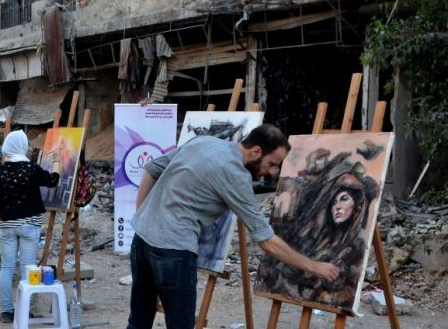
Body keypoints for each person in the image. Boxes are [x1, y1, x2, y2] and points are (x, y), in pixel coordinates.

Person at [127, 124, 339, 329]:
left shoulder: (204, 142)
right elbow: (266, 241)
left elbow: (152, 168)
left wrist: (141, 213)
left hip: (141, 239)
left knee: (139, 320)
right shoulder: (235, 175)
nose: (272, 172)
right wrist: (313, 266)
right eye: (273, 163)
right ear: (256, 151)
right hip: (173, 250)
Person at [258, 159, 380, 309]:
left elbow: (339, 286)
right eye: (334, 202)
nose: (337, 207)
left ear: (357, 205)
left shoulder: (355, 246)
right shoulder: (318, 236)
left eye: (344, 199)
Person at [0, 130, 61, 324]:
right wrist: (56, 162)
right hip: (30, 225)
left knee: (7, 267)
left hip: (7, 226)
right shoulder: (31, 169)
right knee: (29, 268)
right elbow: (53, 180)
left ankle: (6, 311)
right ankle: (26, 308)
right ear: (23, 146)